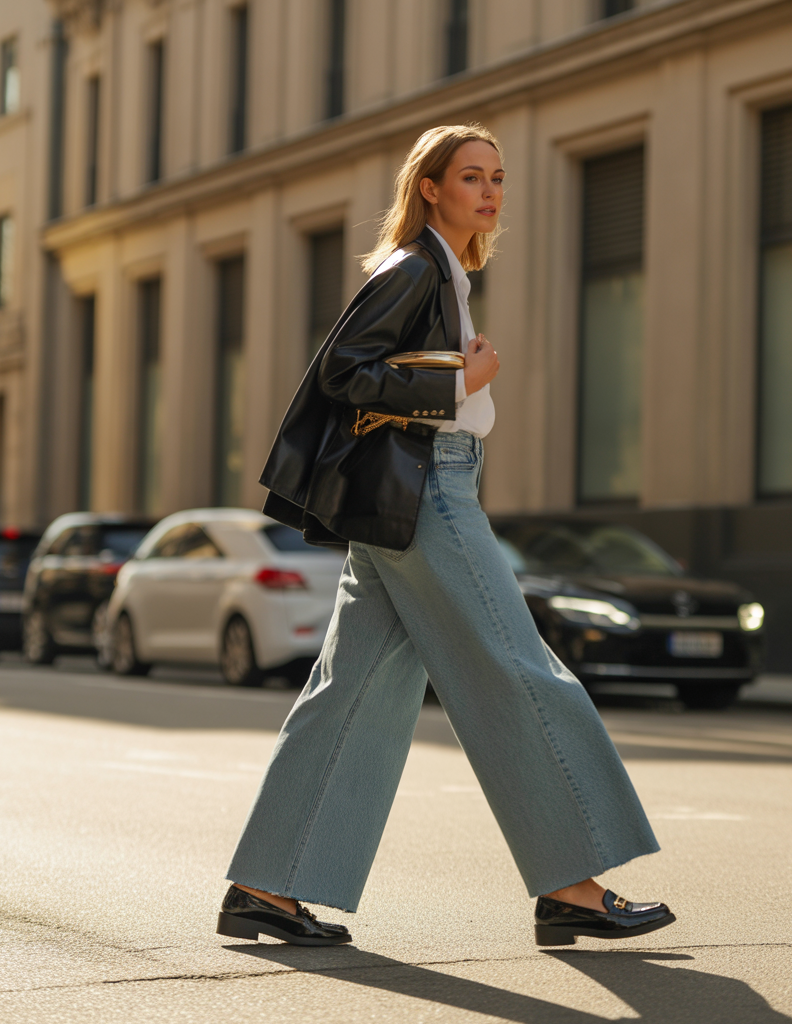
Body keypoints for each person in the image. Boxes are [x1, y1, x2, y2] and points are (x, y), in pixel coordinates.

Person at [217, 124, 673, 948]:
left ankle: (266, 888)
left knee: (353, 692)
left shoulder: (448, 272)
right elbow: (343, 369)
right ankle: (573, 885)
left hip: (414, 490)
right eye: (471, 177)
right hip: (428, 488)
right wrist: (461, 379)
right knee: (520, 666)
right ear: (430, 187)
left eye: (498, 177)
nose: (490, 191)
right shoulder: (416, 266)